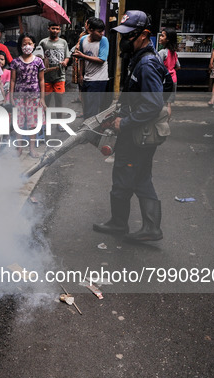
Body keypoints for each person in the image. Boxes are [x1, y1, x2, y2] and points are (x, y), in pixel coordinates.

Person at [93, 10, 172, 242]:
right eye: (123, 35)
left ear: (145, 34)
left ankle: (119, 224)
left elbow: (152, 104)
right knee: (141, 177)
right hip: (139, 132)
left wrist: (123, 122)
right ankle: (150, 227)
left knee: (124, 177)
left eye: (130, 35)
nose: (125, 40)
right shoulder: (141, 58)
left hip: (136, 133)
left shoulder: (146, 64)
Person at [9, 33, 46, 158]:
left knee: (33, 124)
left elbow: (41, 80)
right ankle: (19, 148)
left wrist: (42, 98)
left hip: (34, 98)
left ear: (34, 45)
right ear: (20, 45)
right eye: (24, 44)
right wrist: (11, 96)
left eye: (29, 43)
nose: (27, 46)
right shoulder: (15, 62)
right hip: (19, 97)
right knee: (18, 123)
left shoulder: (38, 61)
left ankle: (32, 149)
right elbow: (12, 80)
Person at [73, 18, 109, 119]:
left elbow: (102, 59)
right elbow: (81, 58)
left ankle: (90, 132)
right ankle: (86, 127)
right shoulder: (83, 40)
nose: (102, 33)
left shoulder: (104, 40)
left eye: (102, 31)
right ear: (90, 30)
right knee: (86, 106)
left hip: (99, 79)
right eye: (99, 31)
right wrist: (81, 75)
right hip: (87, 78)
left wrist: (83, 56)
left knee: (94, 109)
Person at [39, 22, 70, 132]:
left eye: (57, 29)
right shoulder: (43, 42)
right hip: (46, 77)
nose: (55, 31)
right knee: (46, 102)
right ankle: (45, 124)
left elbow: (67, 56)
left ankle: (59, 123)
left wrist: (65, 62)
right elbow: (38, 57)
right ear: (48, 29)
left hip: (59, 76)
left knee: (59, 100)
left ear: (60, 29)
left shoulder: (63, 42)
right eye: (53, 28)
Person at [158, 27, 180, 118]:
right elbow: (178, 66)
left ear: (167, 39)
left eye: (162, 36)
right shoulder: (174, 53)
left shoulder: (162, 52)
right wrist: (171, 70)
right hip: (173, 80)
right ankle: (166, 123)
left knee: (161, 103)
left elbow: (156, 66)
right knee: (168, 105)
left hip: (164, 81)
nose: (160, 37)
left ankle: (160, 124)